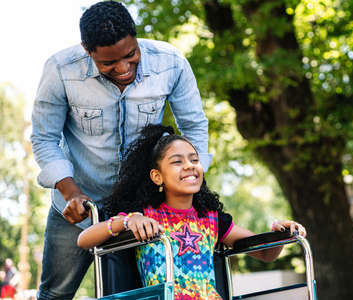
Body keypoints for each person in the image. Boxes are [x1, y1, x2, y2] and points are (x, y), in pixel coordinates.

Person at [30, 1, 210, 299]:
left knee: (144, 292)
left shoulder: (171, 63)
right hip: (80, 205)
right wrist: (71, 193)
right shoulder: (61, 69)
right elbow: (44, 138)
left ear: (136, 38)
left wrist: (189, 185)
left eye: (131, 55)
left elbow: (194, 127)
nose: (124, 68)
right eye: (109, 64)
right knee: (55, 293)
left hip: (143, 210)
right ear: (88, 52)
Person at [77, 124, 307, 299]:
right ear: (157, 176)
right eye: (177, 162)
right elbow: (84, 240)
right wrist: (126, 221)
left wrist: (279, 234)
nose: (189, 165)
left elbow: (265, 254)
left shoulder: (212, 218)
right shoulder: (144, 215)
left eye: (194, 159)